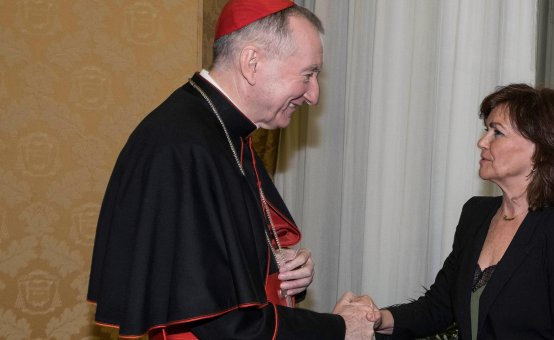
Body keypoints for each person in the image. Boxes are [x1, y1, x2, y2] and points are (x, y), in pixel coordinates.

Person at [87, 0, 374, 339]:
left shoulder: (220, 132)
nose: (313, 95)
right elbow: (223, 323)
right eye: (308, 75)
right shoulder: (185, 148)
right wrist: (339, 329)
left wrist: (272, 269)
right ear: (252, 62)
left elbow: (217, 273)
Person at [349, 84, 554, 339]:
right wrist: (377, 319)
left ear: (539, 149)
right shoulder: (476, 214)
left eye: (497, 132)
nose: (482, 141)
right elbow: (438, 307)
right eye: (486, 130)